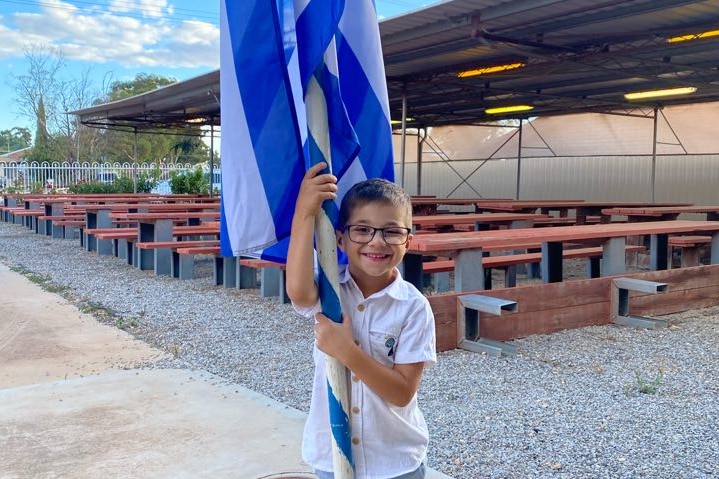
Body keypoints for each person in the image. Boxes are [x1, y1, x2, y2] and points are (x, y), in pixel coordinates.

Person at [286, 162, 437, 479]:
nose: (377, 241)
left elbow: (401, 392)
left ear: (408, 241)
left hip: (395, 463)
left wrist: (347, 351)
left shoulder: (413, 308)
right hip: (332, 455)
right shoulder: (330, 290)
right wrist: (304, 212)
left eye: (392, 231)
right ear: (340, 239)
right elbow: (298, 291)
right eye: (362, 229)